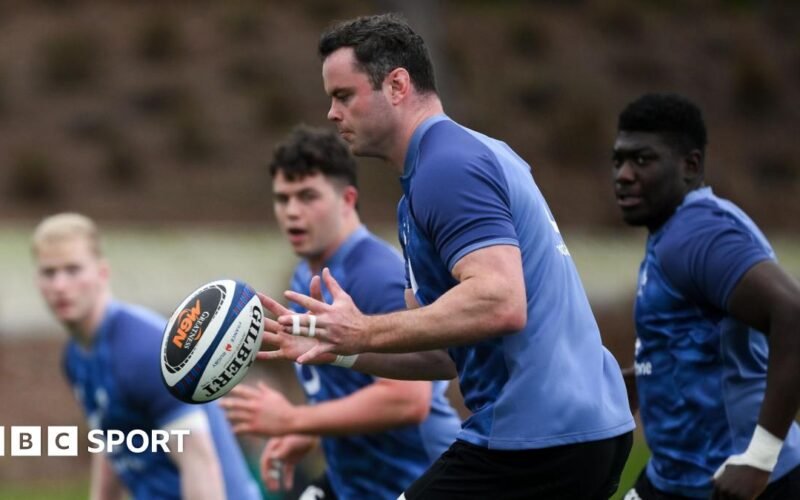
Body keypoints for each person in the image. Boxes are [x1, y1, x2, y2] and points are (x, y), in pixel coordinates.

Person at [258, 13, 635, 499]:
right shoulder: (441, 172)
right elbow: (442, 353)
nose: (331, 114)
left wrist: (364, 329)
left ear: (397, 85)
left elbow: (500, 301)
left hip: (537, 436)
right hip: (576, 433)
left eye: (344, 95)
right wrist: (345, 349)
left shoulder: (446, 167)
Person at [220, 126, 461, 500]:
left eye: (308, 196)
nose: (292, 211)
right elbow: (347, 384)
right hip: (356, 482)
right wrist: (309, 432)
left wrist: (294, 419)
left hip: (415, 481)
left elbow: (407, 400)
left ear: (347, 199)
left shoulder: (375, 274)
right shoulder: (305, 276)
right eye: (283, 198)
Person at [611, 93, 800, 500]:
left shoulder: (698, 233)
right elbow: (695, 337)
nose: (623, 175)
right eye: (618, 160)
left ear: (691, 166)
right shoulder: (674, 231)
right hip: (675, 475)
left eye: (642, 159)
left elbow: (792, 313)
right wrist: (639, 378)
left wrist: (759, 459)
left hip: (737, 480)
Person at [32, 213, 261, 500]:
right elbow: (113, 439)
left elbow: (199, 464)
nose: (60, 286)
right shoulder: (75, 358)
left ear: (102, 272)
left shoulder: (141, 351)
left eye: (73, 270)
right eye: (49, 273)